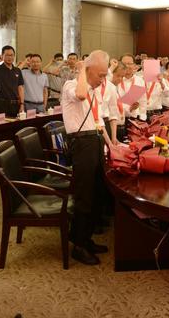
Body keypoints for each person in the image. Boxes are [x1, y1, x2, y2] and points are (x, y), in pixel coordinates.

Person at [61, 50, 110, 266]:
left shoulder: (94, 90)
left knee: (97, 193)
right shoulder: (71, 86)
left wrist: (110, 145)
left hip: (94, 141)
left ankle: (86, 238)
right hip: (81, 144)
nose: (103, 80)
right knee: (84, 196)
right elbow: (80, 95)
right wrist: (81, 70)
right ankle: (78, 247)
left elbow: (98, 120)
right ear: (88, 71)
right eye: (101, 75)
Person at [0, 45, 24, 117]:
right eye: (7, 55)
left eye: (11, 55)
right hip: (0, 105)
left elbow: (20, 88)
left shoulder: (17, 70)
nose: (10, 57)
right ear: (2, 56)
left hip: (15, 105)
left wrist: (22, 104)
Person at [118, 54, 146, 119]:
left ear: (134, 65)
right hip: (118, 119)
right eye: (124, 63)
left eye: (129, 63)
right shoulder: (116, 80)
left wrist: (142, 118)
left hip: (135, 118)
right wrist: (129, 108)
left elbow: (143, 101)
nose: (127, 66)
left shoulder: (139, 81)